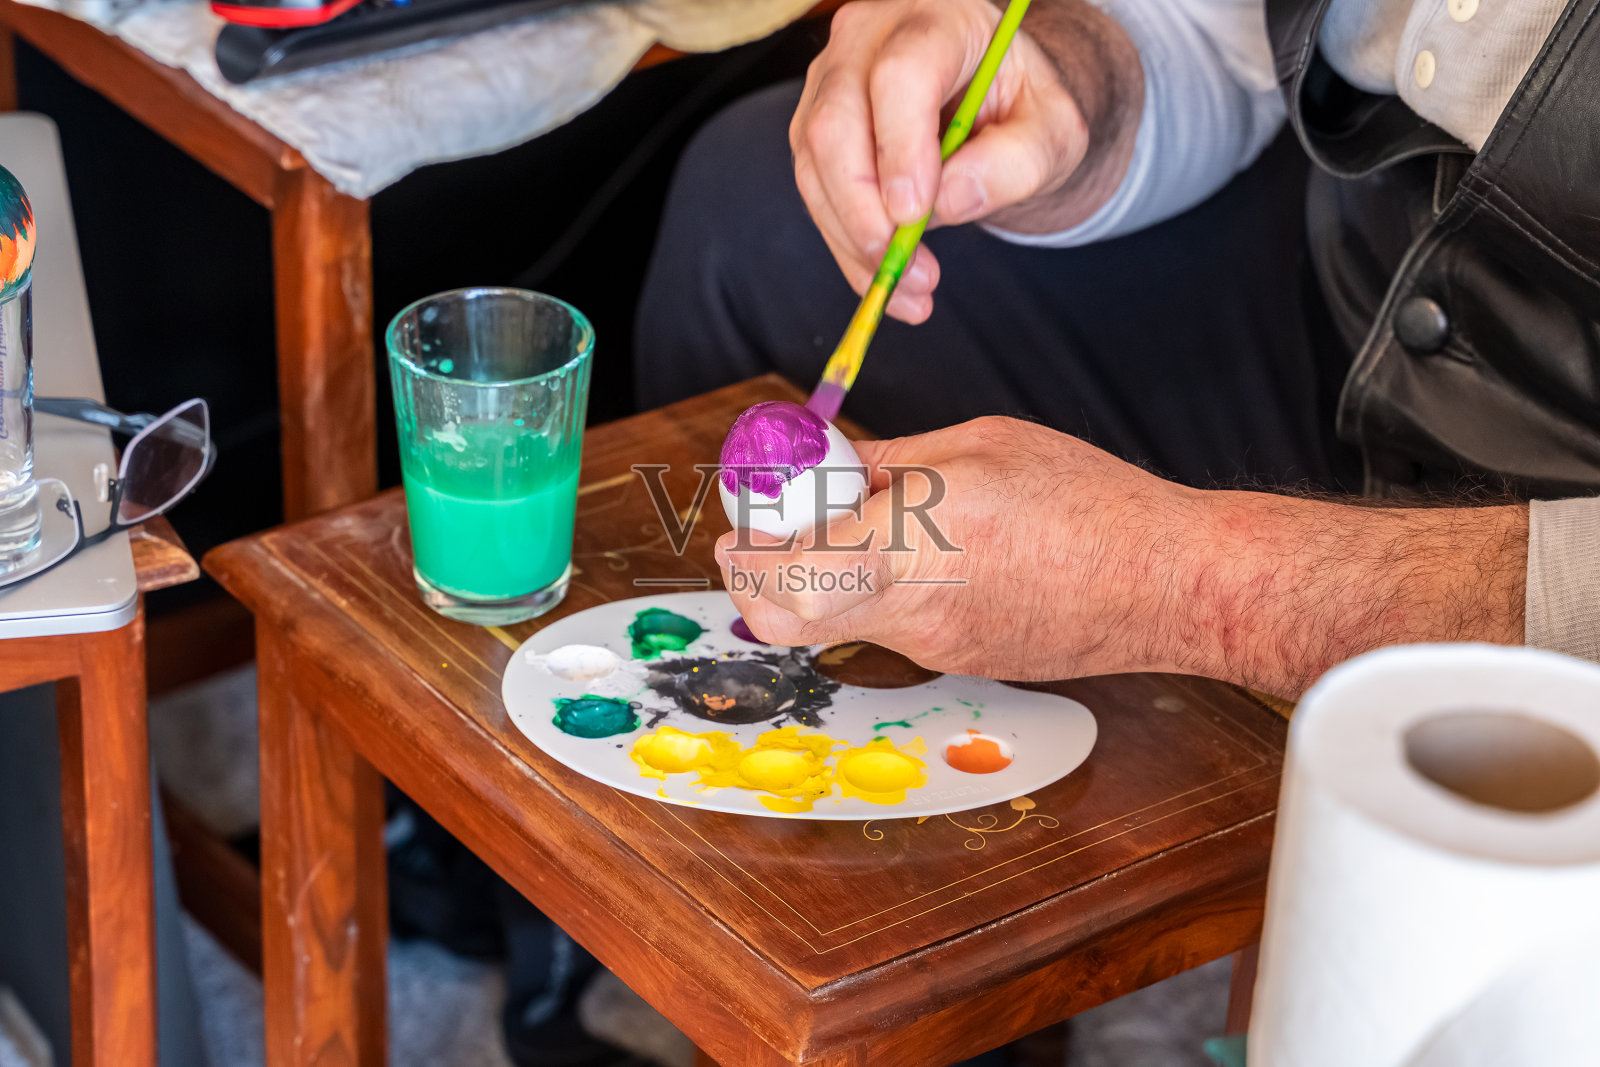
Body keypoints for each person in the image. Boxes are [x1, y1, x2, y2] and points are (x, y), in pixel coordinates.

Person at [636, 0, 1600, 695]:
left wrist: (1183, 584)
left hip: (1566, 495)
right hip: (1368, 278)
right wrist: (1078, 90)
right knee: (754, 211)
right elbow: (1233, 38)